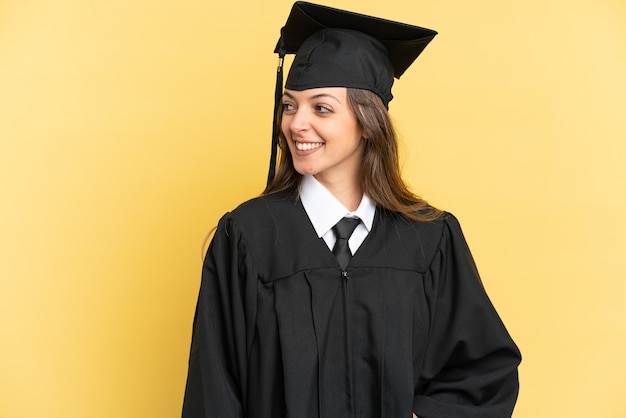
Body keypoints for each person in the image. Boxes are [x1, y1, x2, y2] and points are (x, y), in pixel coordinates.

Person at [182, 2, 521, 417]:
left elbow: (484, 370)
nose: (296, 124)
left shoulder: (429, 238)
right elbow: (213, 390)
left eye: (320, 108)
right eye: (289, 105)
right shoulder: (248, 237)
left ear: (366, 122)